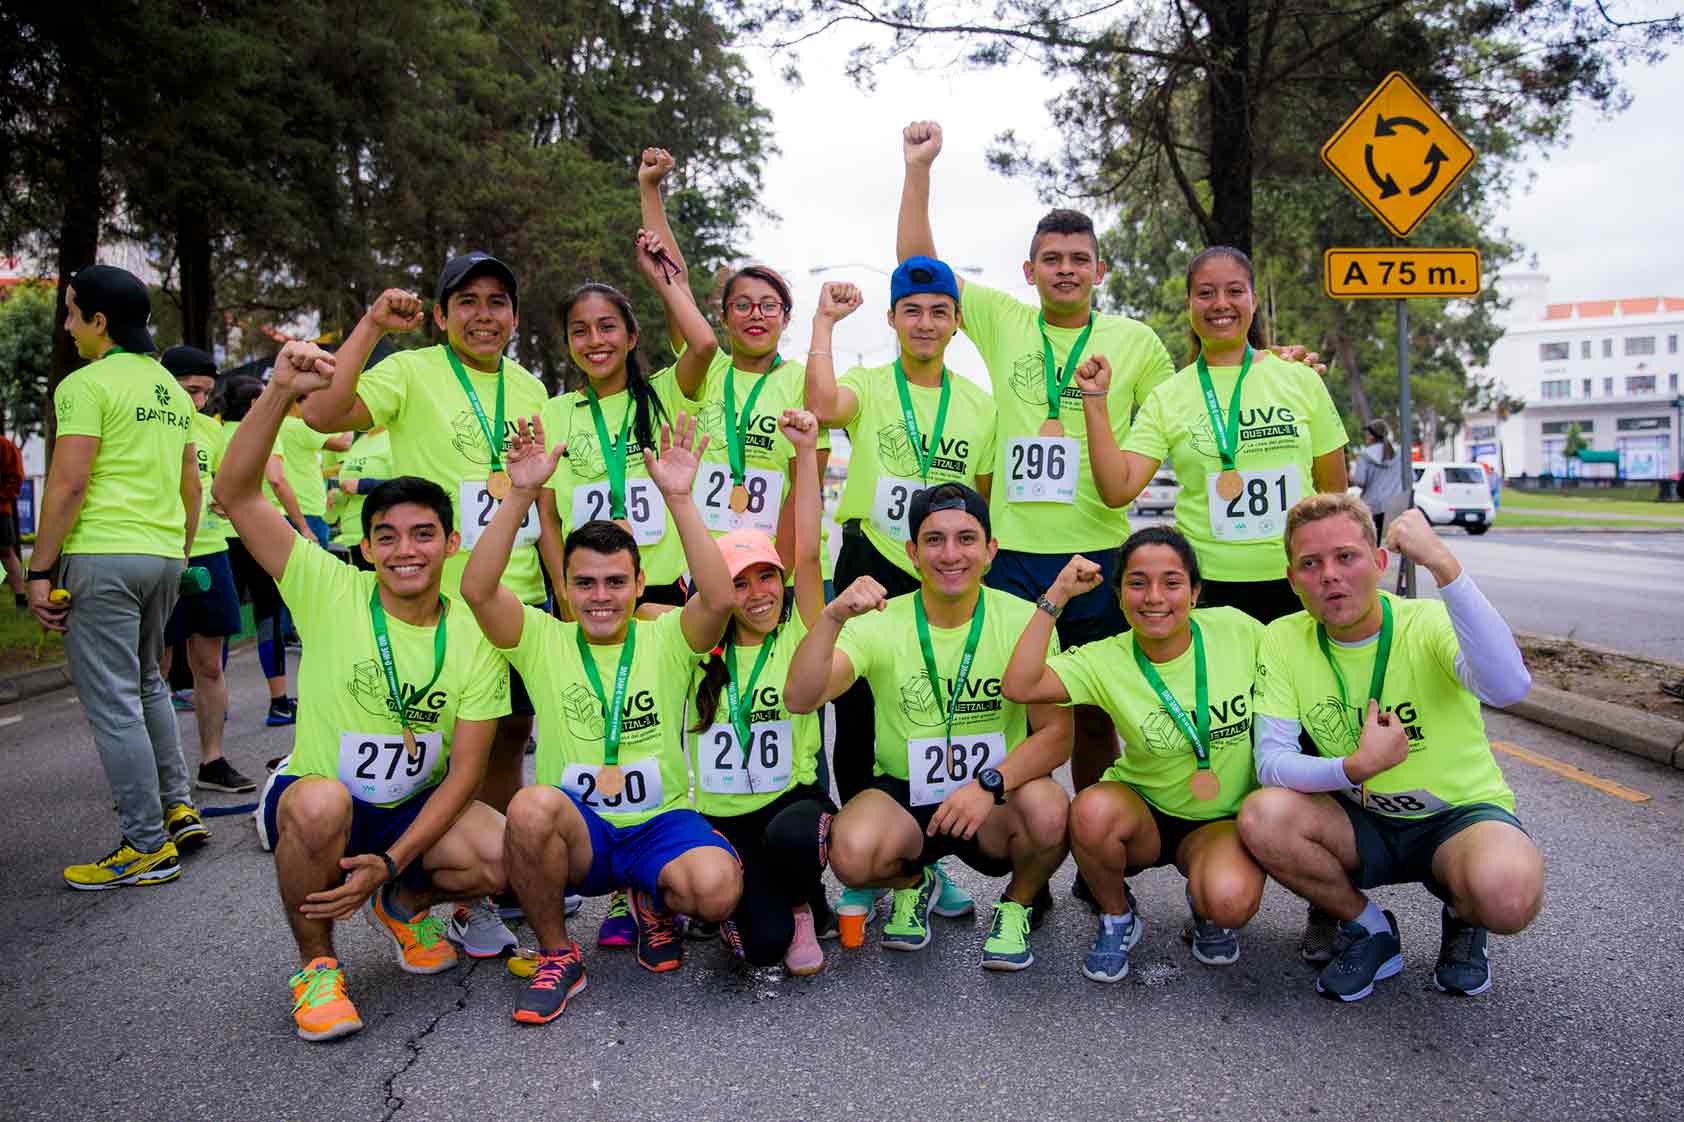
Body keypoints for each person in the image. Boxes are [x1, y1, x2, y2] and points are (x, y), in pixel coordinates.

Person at [896, 121, 1174, 892]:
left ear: (1100, 270)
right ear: (1029, 269)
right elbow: (918, 264)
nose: (1065, 270)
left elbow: (1180, 411)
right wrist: (918, 169)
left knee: (1095, 715)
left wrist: (1273, 357)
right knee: (1023, 710)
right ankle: (1037, 861)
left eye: (1079, 259)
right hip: (1015, 554)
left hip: (1102, 551)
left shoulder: (1137, 342)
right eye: (1051, 259)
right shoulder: (1002, 319)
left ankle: (1092, 844)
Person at [218, 340, 514, 1042]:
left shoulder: (472, 631)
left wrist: (390, 861)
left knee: (511, 854)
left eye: (421, 535)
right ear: (368, 546)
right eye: (387, 537)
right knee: (321, 803)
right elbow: (236, 493)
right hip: (324, 797)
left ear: (450, 544)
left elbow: (468, 772)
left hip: (407, 807)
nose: (404, 550)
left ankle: (403, 902)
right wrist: (279, 390)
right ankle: (318, 966)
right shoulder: (325, 585)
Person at [462, 410, 742, 1025]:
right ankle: (558, 955)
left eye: (616, 582)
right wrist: (523, 494)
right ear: (565, 586)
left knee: (719, 890)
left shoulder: (668, 638)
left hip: (658, 823)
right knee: (530, 806)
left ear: (641, 584)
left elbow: (720, 598)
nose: (600, 596)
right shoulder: (543, 640)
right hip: (581, 832)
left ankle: (651, 900)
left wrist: (677, 497)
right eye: (584, 582)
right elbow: (478, 591)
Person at [1238, 496, 1543, 1002]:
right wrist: (1354, 767)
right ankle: (1371, 929)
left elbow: (1509, 687)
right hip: (1361, 818)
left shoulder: (1426, 623)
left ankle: (1464, 918)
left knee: (1508, 893)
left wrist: (1444, 564)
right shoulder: (1283, 638)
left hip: (1456, 818)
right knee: (1262, 815)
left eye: (1346, 557)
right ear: (1293, 581)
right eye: (1310, 564)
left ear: (1379, 563)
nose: (1329, 576)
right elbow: (1272, 762)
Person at [296, 253, 565, 825]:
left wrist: (560, 595)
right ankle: (438, 872)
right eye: (467, 302)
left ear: (515, 318)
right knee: (448, 743)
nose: (483, 315)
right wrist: (370, 327)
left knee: (513, 733)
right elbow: (322, 412)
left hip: (516, 597)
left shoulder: (532, 388)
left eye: (497, 302)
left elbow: (544, 501)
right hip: (438, 597)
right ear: (441, 317)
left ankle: (502, 860)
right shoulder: (411, 371)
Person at [785, 483, 1072, 971]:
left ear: (990, 550)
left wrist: (989, 783)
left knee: (1050, 809)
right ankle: (912, 885)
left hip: (993, 797)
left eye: (966, 538)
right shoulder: (879, 620)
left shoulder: (1026, 619)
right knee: (851, 850)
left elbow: (1057, 735)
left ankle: (1017, 904)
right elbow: (801, 697)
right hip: (907, 791)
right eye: (934, 540)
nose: (951, 554)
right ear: (913, 552)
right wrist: (833, 616)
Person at [802, 258, 998, 924]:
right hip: (874, 560)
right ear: (891, 319)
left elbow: (983, 498)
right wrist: (824, 322)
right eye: (911, 310)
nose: (925, 322)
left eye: (939, 311)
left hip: (942, 564)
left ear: (955, 321)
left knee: (932, 708)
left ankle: (923, 856)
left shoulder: (979, 403)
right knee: (855, 716)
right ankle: (870, 864)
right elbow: (825, 405)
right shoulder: (870, 383)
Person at [1002, 527, 1266, 982]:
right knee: (1089, 811)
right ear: (1120, 597)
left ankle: (1204, 902)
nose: (1154, 597)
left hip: (1220, 817)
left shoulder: (1238, 629)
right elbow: (1020, 685)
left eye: (1172, 582)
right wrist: (1056, 596)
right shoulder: (1106, 657)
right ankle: (1118, 916)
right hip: (1144, 811)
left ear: (1196, 592)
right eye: (1138, 583)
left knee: (1227, 903)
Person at [29, 264, 207, 889]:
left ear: (100, 321)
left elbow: (70, 482)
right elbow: (192, 485)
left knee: (112, 701)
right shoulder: (169, 389)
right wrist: (179, 553)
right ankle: (177, 806)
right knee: (148, 685)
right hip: (161, 554)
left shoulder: (85, 384)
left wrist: (38, 568)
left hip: (103, 553)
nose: (69, 325)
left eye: (73, 312)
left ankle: (144, 844)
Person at [1082, 245, 1349, 624]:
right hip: (1208, 587)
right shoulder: (1169, 396)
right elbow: (1117, 489)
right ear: (1189, 305)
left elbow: (1333, 493)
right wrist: (1094, 400)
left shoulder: (1300, 378)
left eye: (1234, 291)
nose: (1220, 303)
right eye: (1206, 293)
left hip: (1298, 579)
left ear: (1254, 301)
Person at [680, 409, 835, 974]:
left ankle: (800, 902)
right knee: (760, 949)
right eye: (739, 583)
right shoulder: (696, 648)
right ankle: (762, 898)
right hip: (726, 813)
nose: (758, 593)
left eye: (766, 576)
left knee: (794, 836)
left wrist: (804, 456)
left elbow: (811, 552)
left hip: (790, 802)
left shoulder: (800, 627)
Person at [636, 147, 832, 568]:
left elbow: (805, 489)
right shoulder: (706, 368)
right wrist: (650, 188)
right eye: (742, 305)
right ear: (722, 318)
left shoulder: (802, 381)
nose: (756, 314)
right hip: (703, 567)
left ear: (785, 317)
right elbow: (673, 279)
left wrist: (775, 573)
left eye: (769, 305)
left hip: (775, 569)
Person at [541, 232, 715, 608]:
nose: (595, 340)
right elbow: (548, 516)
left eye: (607, 327)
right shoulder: (555, 412)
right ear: (569, 345)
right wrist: (562, 589)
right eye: (580, 331)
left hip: (660, 593)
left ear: (632, 336)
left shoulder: (665, 394)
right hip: (589, 594)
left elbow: (703, 345)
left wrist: (661, 281)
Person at [157, 345, 254, 793]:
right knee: (155, 667)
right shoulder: (149, 427)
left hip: (210, 553)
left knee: (210, 666)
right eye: (190, 390)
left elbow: (227, 482)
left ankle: (212, 761)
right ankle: (157, 770)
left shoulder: (210, 431)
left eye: (206, 393)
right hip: (156, 551)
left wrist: (221, 497)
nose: (198, 401)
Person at [220, 375, 298, 726]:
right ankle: (279, 702)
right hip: (260, 532)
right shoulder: (265, 432)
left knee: (219, 627)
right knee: (270, 615)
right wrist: (303, 525)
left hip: (220, 538)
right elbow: (278, 480)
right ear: (254, 405)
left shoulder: (211, 432)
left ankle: (215, 702)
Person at [331, 428, 394, 572]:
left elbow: (406, 485)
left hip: (382, 536)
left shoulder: (392, 438)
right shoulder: (359, 442)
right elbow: (350, 486)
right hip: (354, 539)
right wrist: (338, 495)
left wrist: (363, 485)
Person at [1351, 419, 1403, 539]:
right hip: (1395, 506)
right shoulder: (1399, 452)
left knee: (1373, 543)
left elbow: (1360, 481)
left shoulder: (1364, 455)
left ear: (1370, 436)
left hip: (1372, 507)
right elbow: (1410, 476)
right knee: (1391, 546)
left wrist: (1351, 477)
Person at [0, 431, 24, 607]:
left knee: (7, 553)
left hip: (0, 510)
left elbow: (16, 477)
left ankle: (20, 597)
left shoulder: (5, 446)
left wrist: (3, 496)